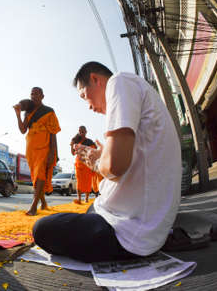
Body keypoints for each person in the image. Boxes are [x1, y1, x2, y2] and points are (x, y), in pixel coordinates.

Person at [32, 61, 181, 263]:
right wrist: (104, 156)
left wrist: (97, 162)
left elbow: (115, 167)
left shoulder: (119, 82)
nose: (90, 106)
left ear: (95, 79)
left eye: (85, 96)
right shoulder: (136, 90)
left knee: (41, 229)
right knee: (87, 211)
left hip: (130, 233)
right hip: (140, 224)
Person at [13, 88, 61, 216]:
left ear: (42, 96)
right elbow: (23, 130)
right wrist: (18, 114)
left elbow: (53, 132)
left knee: (40, 173)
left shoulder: (49, 111)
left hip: (44, 146)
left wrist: (53, 152)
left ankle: (34, 206)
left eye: (36, 94)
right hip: (31, 147)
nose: (33, 96)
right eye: (32, 94)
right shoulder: (28, 112)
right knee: (36, 175)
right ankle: (44, 203)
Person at [70, 126, 96, 204]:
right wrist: (72, 145)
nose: (81, 133)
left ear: (86, 132)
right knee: (79, 181)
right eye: (80, 131)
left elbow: (94, 151)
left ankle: (87, 198)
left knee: (87, 181)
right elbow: (72, 153)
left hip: (87, 164)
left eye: (83, 131)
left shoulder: (89, 141)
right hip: (79, 164)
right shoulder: (76, 141)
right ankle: (79, 198)